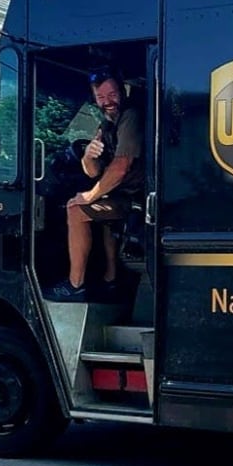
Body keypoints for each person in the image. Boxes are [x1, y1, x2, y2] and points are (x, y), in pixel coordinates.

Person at [43, 68, 144, 302]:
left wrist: (88, 196)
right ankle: (111, 280)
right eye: (101, 97)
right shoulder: (105, 125)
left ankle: (75, 284)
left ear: (122, 91)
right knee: (97, 208)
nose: (107, 101)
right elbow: (94, 171)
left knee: (76, 209)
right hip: (120, 195)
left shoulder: (131, 116)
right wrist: (88, 156)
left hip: (137, 198)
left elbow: (120, 167)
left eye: (112, 94)